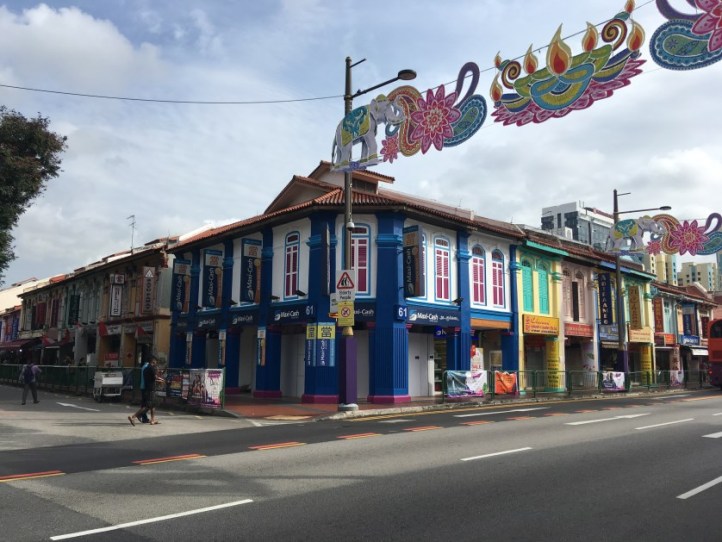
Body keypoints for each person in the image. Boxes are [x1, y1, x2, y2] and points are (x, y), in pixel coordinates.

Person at [128, 357, 162, 426]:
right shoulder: (151, 368)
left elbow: (151, 378)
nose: (156, 363)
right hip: (150, 389)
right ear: (153, 361)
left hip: (146, 388)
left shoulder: (145, 368)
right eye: (155, 361)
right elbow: (154, 377)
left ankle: (152, 420)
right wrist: (160, 380)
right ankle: (133, 416)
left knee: (152, 404)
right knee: (147, 406)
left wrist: (158, 378)